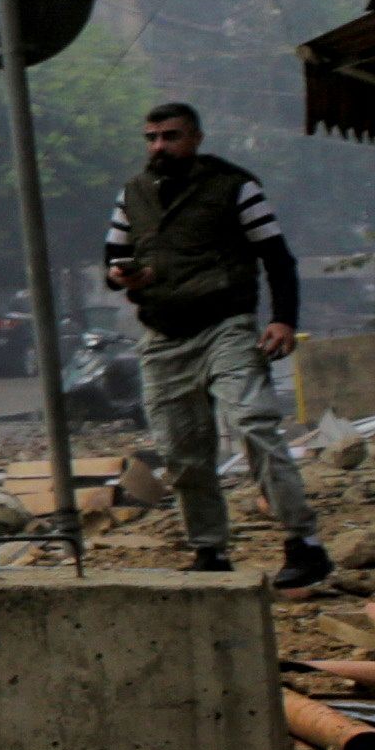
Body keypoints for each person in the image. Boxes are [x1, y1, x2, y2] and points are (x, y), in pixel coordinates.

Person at [101, 101, 330, 589]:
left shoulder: (234, 187)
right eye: (152, 137)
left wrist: (284, 319)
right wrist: (124, 276)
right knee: (181, 449)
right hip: (163, 334)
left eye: (171, 136)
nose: (160, 146)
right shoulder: (133, 195)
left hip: (226, 324)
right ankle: (210, 551)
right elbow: (114, 260)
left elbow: (277, 256)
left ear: (197, 138)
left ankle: (303, 542)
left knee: (253, 423)